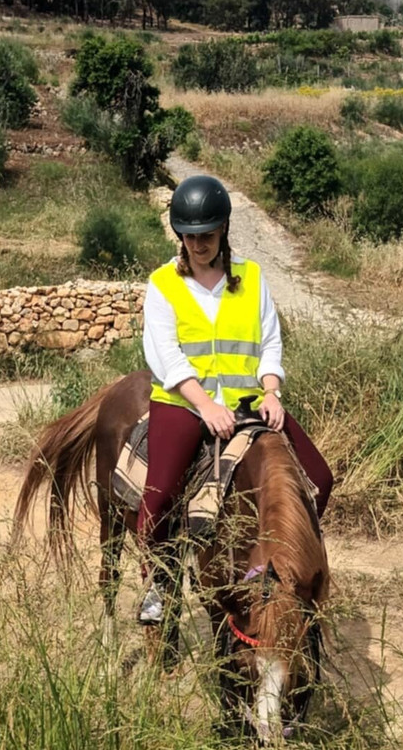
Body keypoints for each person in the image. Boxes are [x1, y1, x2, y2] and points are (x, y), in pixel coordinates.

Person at [138, 174, 334, 624]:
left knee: (320, 479)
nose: (197, 244)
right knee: (159, 499)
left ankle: (283, 569)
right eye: (189, 236)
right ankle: (159, 583)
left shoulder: (252, 276)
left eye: (206, 234)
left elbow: (270, 341)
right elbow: (166, 355)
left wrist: (272, 392)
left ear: (223, 228)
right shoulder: (163, 284)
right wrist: (205, 405)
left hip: (249, 403)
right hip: (184, 403)